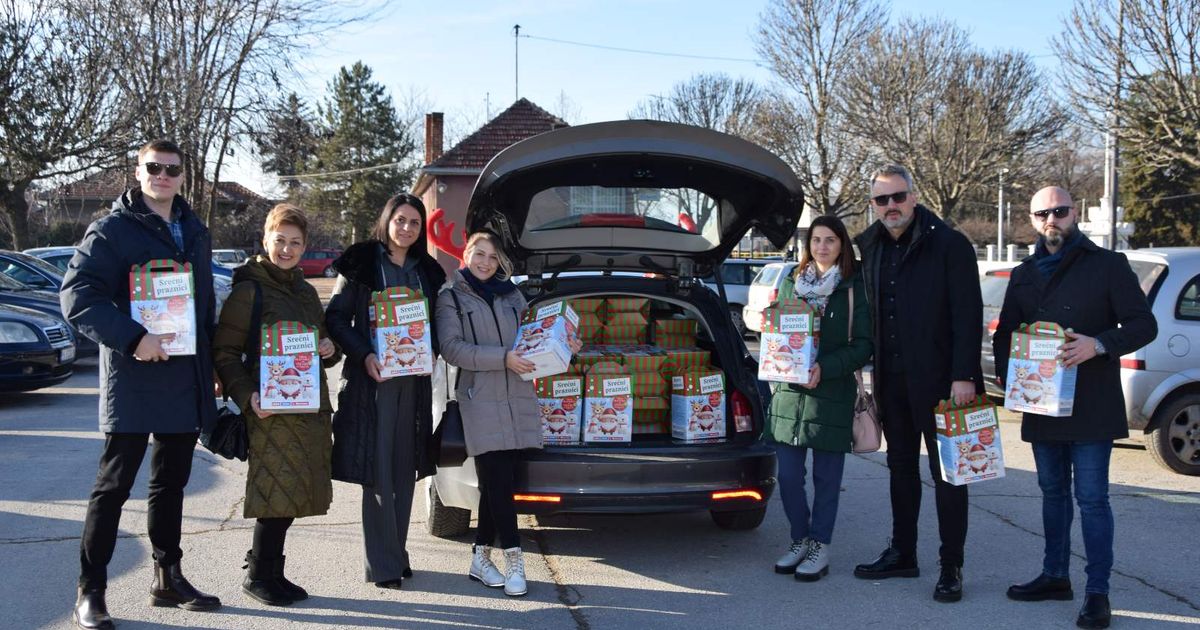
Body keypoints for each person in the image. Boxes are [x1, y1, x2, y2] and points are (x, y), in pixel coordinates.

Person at [61, 139, 221, 630]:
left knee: (170, 484)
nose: (163, 175)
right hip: (134, 376)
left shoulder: (194, 231)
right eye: (154, 167)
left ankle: (167, 577)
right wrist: (134, 339)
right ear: (138, 171)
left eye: (172, 169)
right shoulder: (111, 229)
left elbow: (202, 305)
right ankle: (91, 591)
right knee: (113, 487)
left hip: (182, 376)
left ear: (182, 175)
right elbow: (78, 296)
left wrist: (210, 367)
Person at [995, 187, 1156, 630]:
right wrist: (1016, 377)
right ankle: (1054, 575)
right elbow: (1005, 334)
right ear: (1031, 220)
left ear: (1075, 213)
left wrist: (1099, 344)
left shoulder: (1107, 264)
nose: (1052, 219)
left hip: (1090, 404)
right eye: (1043, 213)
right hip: (1041, 403)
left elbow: (1144, 324)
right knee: (1051, 493)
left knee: (1092, 499)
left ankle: (1097, 592)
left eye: (1060, 211)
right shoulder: (1024, 273)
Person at [851, 164, 983, 603]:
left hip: (945, 383)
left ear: (914, 196)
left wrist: (964, 376)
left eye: (898, 197)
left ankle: (952, 566)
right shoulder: (869, 247)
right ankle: (903, 553)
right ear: (873, 205)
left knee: (948, 475)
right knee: (901, 469)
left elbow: (969, 315)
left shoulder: (949, 244)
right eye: (882, 200)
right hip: (892, 380)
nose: (891, 206)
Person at [435, 231, 581, 597]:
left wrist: (566, 346)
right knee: (499, 481)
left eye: (492, 257)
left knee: (498, 484)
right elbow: (452, 349)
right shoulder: (450, 297)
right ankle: (515, 557)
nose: (485, 262)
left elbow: (532, 343)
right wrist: (503, 358)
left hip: (518, 398)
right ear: (465, 255)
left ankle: (480, 558)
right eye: (479, 254)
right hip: (480, 399)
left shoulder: (513, 296)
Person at [211, 204, 341, 605]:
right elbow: (225, 352)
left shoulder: (303, 290)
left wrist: (329, 348)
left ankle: (273, 571)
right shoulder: (249, 290)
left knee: (293, 490)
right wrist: (247, 396)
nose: (287, 248)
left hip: (307, 406)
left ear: (305, 246)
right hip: (269, 407)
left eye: (295, 242)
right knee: (274, 489)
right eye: (280, 240)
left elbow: (323, 346)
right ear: (265, 240)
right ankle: (258, 574)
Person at [325, 193, 447, 589]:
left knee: (402, 470)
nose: (407, 228)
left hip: (413, 384)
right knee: (377, 473)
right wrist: (364, 356)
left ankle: (396, 552)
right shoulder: (361, 262)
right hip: (373, 384)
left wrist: (433, 348)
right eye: (401, 220)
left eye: (415, 222)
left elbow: (436, 324)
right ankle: (383, 565)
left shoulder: (426, 270)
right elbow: (337, 319)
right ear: (387, 220)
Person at [765, 215, 873, 581]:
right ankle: (799, 538)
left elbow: (863, 346)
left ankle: (820, 545)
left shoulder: (853, 287)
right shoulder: (791, 283)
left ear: (842, 244)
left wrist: (825, 368)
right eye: (816, 240)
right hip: (788, 397)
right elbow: (775, 332)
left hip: (831, 394)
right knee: (790, 478)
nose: (822, 247)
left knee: (827, 479)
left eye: (830, 240)